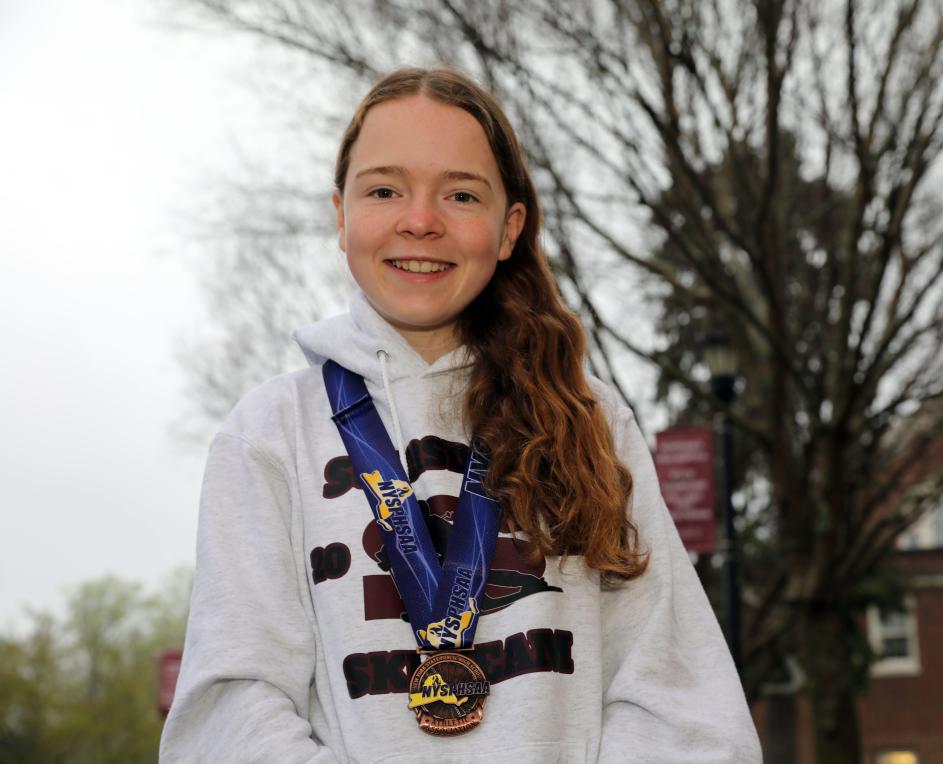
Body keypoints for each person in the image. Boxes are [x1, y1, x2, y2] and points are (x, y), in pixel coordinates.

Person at [159, 67, 761, 763]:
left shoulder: (590, 420)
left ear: (509, 229)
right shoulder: (267, 432)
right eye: (385, 190)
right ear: (341, 215)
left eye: (461, 194)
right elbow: (230, 712)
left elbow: (677, 698)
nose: (421, 219)